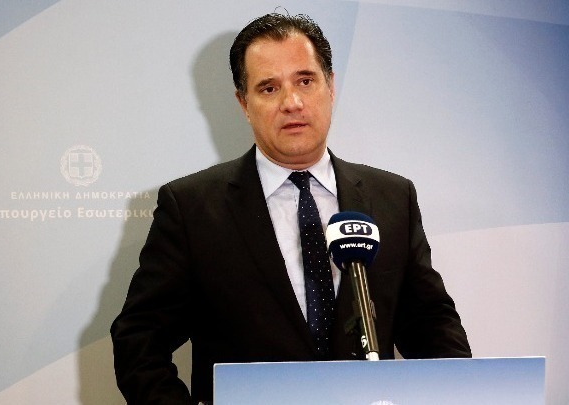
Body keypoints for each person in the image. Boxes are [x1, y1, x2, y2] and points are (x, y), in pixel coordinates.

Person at [111, 13, 471, 404]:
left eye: (305, 81)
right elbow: (139, 339)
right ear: (244, 103)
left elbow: (432, 325)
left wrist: (458, 392)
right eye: (269, 88)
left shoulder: (392, 198)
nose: (292, 103)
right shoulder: (192, 208)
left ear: (330, 87)